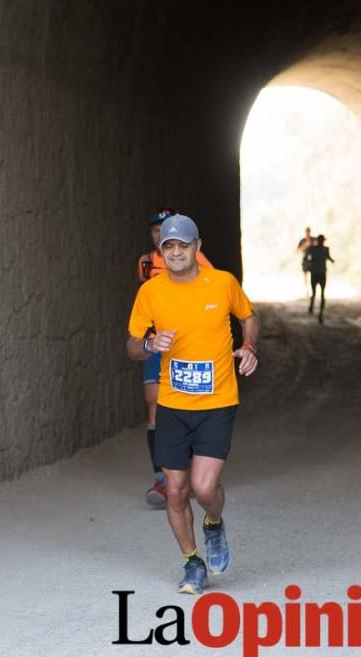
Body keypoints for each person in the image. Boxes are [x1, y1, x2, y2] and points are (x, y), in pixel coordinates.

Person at [126, 214, 259, 594]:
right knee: (176, 489)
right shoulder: (151, 293)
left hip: (217, 402)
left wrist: (249, 347)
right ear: (161, 252)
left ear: (197, 247)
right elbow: (132, 345)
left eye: (183, 245)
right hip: (172, 404)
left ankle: (214, 524)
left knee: (203, 488)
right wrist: (150, 345)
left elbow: (249, 317)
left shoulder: (222, 283)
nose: (176, 252)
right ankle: (191, 562)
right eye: (169, 246)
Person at [136, 209, 212, 509]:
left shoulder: (193, 257)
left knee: (189, 404)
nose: (159, 235)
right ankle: (162, 477)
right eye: (155, 230)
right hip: (159, 342)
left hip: (190, 342)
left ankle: (190, 471)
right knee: (154, 403)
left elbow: (211, 286)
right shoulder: (144, 262)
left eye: (165, 229)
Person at [306, 234, 335, 323]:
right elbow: (328, 258)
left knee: (316, 293)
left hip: (316, 273)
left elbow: (306, 258)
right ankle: (319, 313)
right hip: (320, 273)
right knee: (320, 294)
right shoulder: (324, 249)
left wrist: (309, 265)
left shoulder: (313, 249)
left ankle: (314, 308)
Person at [297, 227, 315, 296]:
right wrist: (305, 245)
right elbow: (298, 249)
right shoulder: (302, 240)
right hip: (305, 260)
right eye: (307, 232)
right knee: (305, 275)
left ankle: (312, 289)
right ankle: (306, 290)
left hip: (313, 260)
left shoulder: (313, 239)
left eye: (309, 231)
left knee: (313, 275)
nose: (308, 233)